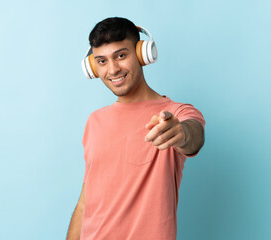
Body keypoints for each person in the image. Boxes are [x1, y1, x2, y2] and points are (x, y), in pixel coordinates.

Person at [67, 17, 205, 240]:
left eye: (121, 56)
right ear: (92, 67)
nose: (112, 69)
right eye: (101, 61)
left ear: (142, 54)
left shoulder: (176, 112)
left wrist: (181, 133)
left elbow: (194, 135)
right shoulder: (94, 121)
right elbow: (85, 201)